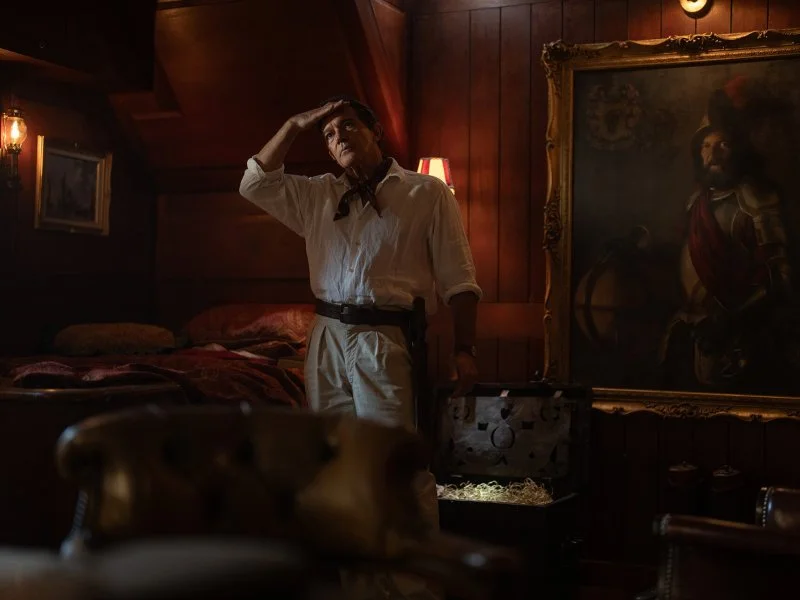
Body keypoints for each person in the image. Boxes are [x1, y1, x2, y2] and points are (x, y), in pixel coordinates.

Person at [239, 95, 482, 599]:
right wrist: (293, 124)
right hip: (326, 337)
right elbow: (255, 182)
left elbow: (459, 279)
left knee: (396, 464)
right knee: (336, 465)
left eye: (349, 126)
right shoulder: (317, 195)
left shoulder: (426, 192)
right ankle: (360, 587)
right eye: (329, 134)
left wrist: (466, 349)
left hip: (385, 339)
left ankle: (414, 589)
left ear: (375, 132)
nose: (339, 137)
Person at [661, 78, 795, 390]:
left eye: (723, 145)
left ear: (738, 151)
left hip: (738, 336)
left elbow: (780, 279)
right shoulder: (696, 201)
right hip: (686, 327)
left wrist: (731, 320)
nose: (714, 154)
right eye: (706, 146)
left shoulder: (756, 200)